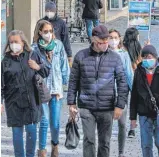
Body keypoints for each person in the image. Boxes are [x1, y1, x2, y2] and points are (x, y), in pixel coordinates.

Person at [67, 25, 128, 157]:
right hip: (86, 106)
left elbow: (122, 82)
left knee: (104, 142)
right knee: (89, 139)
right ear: (94, 40)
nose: (105, 45)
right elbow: (73, 81)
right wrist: (71, 103)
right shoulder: (81, 56)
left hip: (107, 107)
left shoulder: (115, 58)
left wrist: (120, 105)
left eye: (107, 42)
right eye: (102, 43)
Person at [2, 30, 50, 157]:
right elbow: (1, 84)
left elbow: (46, 72)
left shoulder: (32, 55)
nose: (13, 45)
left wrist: (37, 67)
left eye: (16, 42)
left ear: (23, 43)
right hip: (13, 102)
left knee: (31, 131)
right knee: (17, 134)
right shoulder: (5, 61)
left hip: (31, 101)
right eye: (11, 42)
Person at [32, 20, 70, 157]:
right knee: (44, 121)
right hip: (41, 90)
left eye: (50, 31)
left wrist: (67, 87)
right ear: (40, 32)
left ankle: (55, 145)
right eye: (45, 31)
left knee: (54, 123)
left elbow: (64, 66)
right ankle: (41, 151)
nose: (48, 34)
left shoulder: (58, 45)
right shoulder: (34, 48)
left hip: (56, 90)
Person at [108, 29, 133, 157]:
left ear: (119, 39)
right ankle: (105, 150)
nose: (113, 40)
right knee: (107, 125)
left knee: (122, 124)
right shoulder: (104, 53)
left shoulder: (124, 54)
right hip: (106, 95)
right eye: (110, 37)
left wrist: (134, 91)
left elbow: (129, 74)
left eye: (115, 37)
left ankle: (121, 152)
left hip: (121, 94)